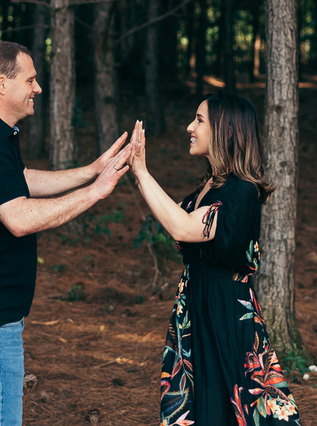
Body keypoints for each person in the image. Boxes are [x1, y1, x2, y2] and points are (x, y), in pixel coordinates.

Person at [0, 41, 132, 426]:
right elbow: (19, 217)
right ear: (2, 85)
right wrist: (94, 192)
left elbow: (17, 182)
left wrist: (90, 170)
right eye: (31, 79)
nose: (38, 88)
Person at [128, 94, 301, 426]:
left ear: (227, 130)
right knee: (202, 405)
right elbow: (178, 228)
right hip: (197, 305)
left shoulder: (242, 192)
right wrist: (137, 173)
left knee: (225, 407)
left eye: (200, 120)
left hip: (225, 314)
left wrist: (142, 171)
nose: (189, 127)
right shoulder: (208, 187)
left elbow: (183, 226)